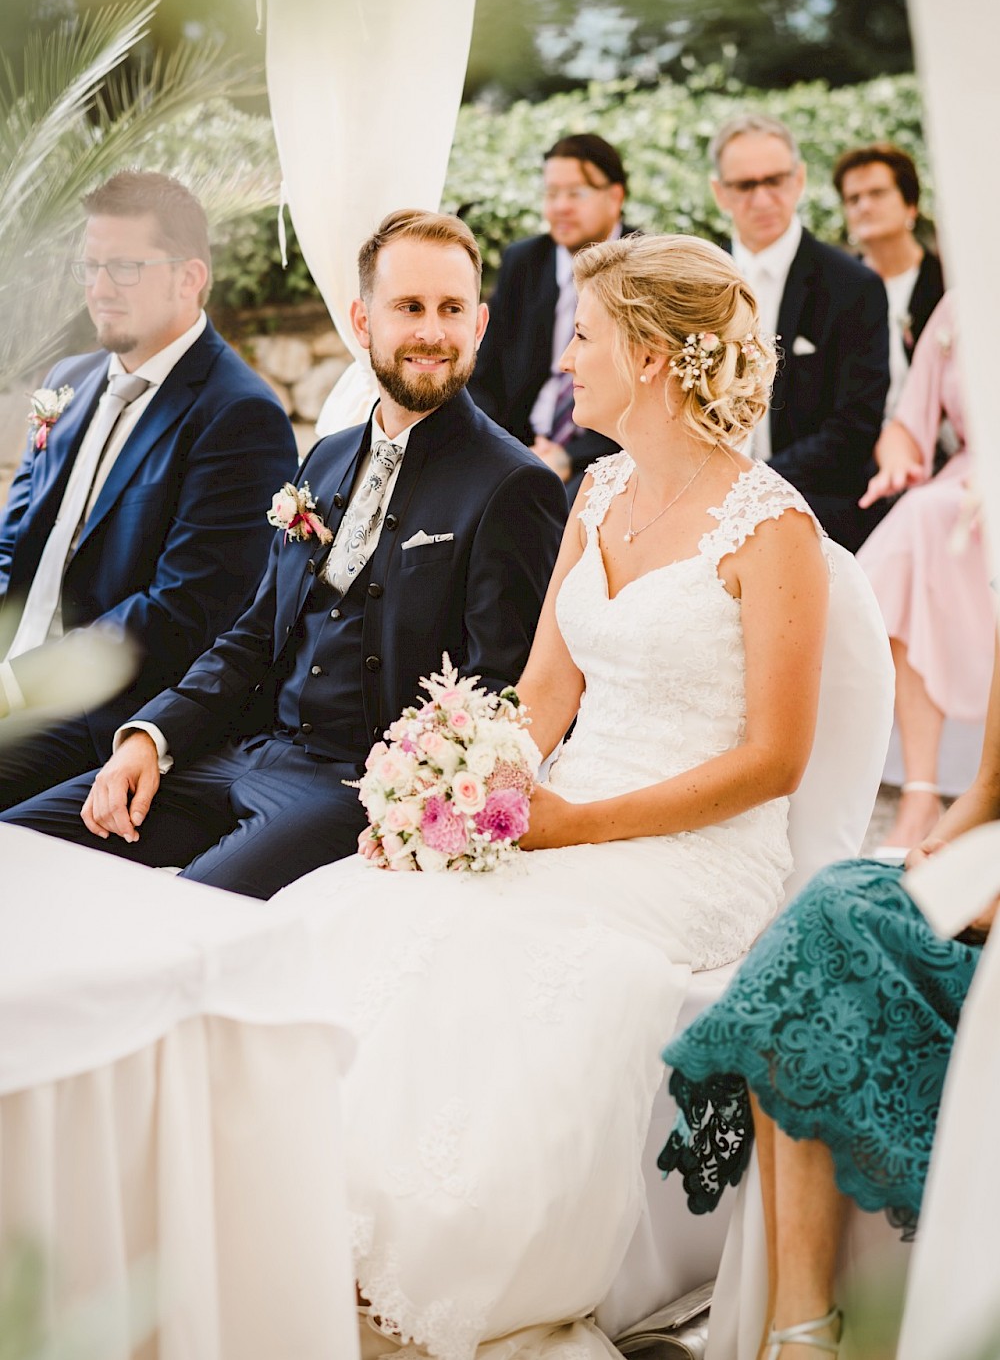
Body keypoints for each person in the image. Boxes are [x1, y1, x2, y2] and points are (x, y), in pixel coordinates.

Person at [264, 233, 829, 1359]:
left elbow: (775, 760)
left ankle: (457, 1253)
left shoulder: (774, 531)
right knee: (353, 907)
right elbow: (537, 693)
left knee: (505, 954)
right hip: (565, 809)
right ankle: (304, 1208)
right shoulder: (598, 486)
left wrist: (567, 823)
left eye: (585, 334)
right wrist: (455, 789)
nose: (565, 357)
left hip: (694, 846)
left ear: (654, 359)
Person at [1, 210, 568, 898]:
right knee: (21, 841)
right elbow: (248, 637)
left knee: (190, 912)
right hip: (241, 755)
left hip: (354, 790)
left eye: (452, 309)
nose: (431, 332)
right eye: (409, 307)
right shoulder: (326, 458)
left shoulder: (515, 485)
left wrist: (412, 803)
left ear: (478, 325)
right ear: (363, 323)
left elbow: (496, 692)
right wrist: (151, 736)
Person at [660, 633, 1000, 1360]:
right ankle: (798, 1322)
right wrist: (939, 853)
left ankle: (800, 1336)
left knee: (832, 932)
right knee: (827, 909)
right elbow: (991, 788)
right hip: (981, 894)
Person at [0, 170, 298, 809]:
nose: (99, 290)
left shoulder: (238, 415)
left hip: (100, 714)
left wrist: (18, 686)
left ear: (189, 277)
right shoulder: (69, 381)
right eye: (89, 266)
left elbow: (183, 610)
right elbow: (13, 545)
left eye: (125, 268)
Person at [710, 114, 890, 552]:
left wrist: (754, 484)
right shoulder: (697, 281)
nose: (762, 197)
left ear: (799, 180)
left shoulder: (852, 286)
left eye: (775, 180)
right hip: (706, 495)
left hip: (817, 501)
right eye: (745, 185)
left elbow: (855, 425)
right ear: (719, 193)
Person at [856, 292, 993, 853]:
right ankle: (921, 792)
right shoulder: (962, 303)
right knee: (919, 522)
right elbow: (909, 422)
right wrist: (895, 461)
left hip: (983, 492)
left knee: (925, 520)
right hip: (960, 488)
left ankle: (928, 795)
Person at [469, 133, 635, 496]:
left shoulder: (644, 266)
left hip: (608, 452)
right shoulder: (524, 262)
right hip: (518, 446)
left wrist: (569, 456)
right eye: (551, 193)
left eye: (575, 193)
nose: (560, 207)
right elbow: (483, 377)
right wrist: (506, 449)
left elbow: (646, 391)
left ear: (615, 196)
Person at [833, 142, 944, 424]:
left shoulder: (945, 281)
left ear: (911, 205)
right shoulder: (836, 289)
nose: (864, 206)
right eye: (853, 199)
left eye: (877, 193)